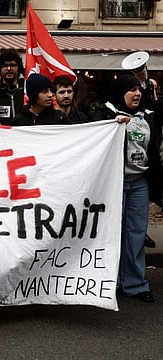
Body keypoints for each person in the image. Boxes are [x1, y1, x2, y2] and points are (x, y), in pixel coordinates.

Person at [91, 74, 163, 303]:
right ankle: (109, 281)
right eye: (131, 90)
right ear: (120, 93)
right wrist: (112, 124)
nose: (137, 94)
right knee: (111, 234)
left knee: (136, 234)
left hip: (139, 183)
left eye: (138, 89)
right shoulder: (105, 114)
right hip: (114, 183)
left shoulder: (147, 117)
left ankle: (134, 283)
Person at [0, 50, 25, 124]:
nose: (9, 69)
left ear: (19, 68)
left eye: (12, 65)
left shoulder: (25, 90)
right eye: (5, 66)